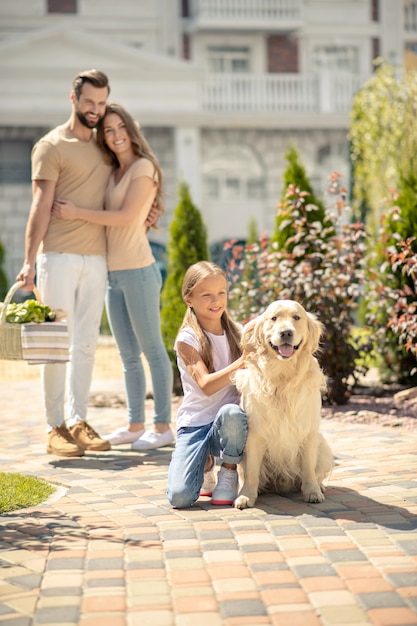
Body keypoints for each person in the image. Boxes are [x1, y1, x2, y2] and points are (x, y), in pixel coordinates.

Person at [52, 103, 173, 451]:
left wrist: (76, 213)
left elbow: (124, 218)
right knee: (128, 355)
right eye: (108, 130)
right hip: (112, 275)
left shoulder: (143, 167)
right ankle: (136, 424)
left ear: (131, 130)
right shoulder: (114, 171)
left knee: (151, 349)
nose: (116, 135)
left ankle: (163, 426)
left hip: (138, 271)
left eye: (121, 127)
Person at [16, 69, 114, 458]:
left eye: (102, 103)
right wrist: (28, 261)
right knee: (56, 344)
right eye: (89, 102)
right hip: (56, 255)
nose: (95, 110)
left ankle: (77, 420)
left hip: (98, 257)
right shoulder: (50, 146)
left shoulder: (106, 145)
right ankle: (53, 426)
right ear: (73, 99)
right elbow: (39, 207)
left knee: (86, 344)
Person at [166, 261, 248, 508]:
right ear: (189, 299)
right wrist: (243, 362)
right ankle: (205, 464)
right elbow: (207, 385)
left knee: (232, 412)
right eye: (206, 295)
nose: (216, 300)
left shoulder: (239, 332)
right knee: (179, 498)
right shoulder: (187, 339)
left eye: (221, 293)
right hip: (196, 425)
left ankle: (229, 472)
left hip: (230, 426)